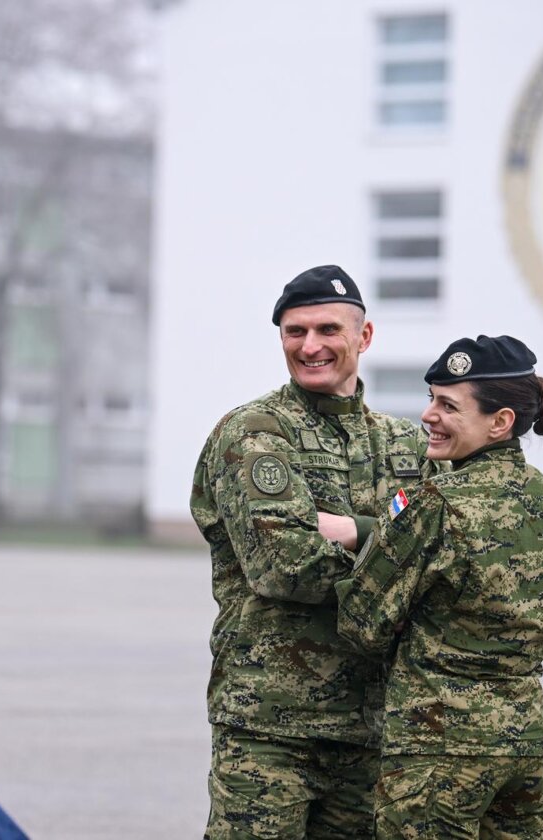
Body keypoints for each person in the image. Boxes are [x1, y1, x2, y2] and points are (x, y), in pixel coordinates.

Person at [190, 265, 443, 838]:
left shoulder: (407, 445)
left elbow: (447, 558)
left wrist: (349, 528)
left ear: (365, 336)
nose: (310, 346)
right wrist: (394, 542)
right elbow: (285, 567)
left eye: (328, 329)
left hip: (377, 728)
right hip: (271, 728)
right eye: (294, 332)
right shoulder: (255, 433)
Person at [332, 334, 543, 839]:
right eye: (431, 398)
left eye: (449, 405)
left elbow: (362, 620)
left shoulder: (436, 502)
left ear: (500, 422)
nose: (429, 415)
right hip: (522, 747)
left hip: (438, 750)